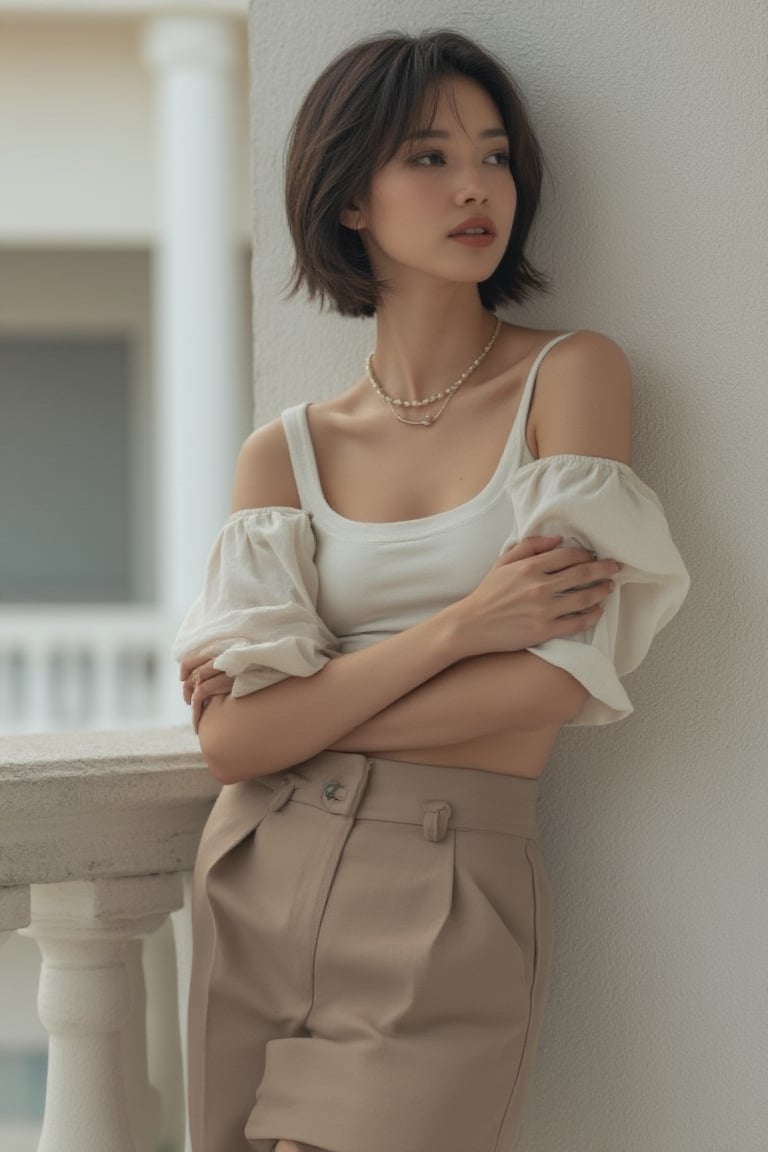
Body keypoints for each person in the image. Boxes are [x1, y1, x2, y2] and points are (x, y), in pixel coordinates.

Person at [172, 29, 689, 1152]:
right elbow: (230, 753)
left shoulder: (570, 375)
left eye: (495, 157)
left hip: (449, 886)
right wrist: (463, 627)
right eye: (428, 157)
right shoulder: (283, 454)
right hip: (260, 876)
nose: (474, 187)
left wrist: (297, 724)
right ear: (349, 196)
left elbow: (554, 681)